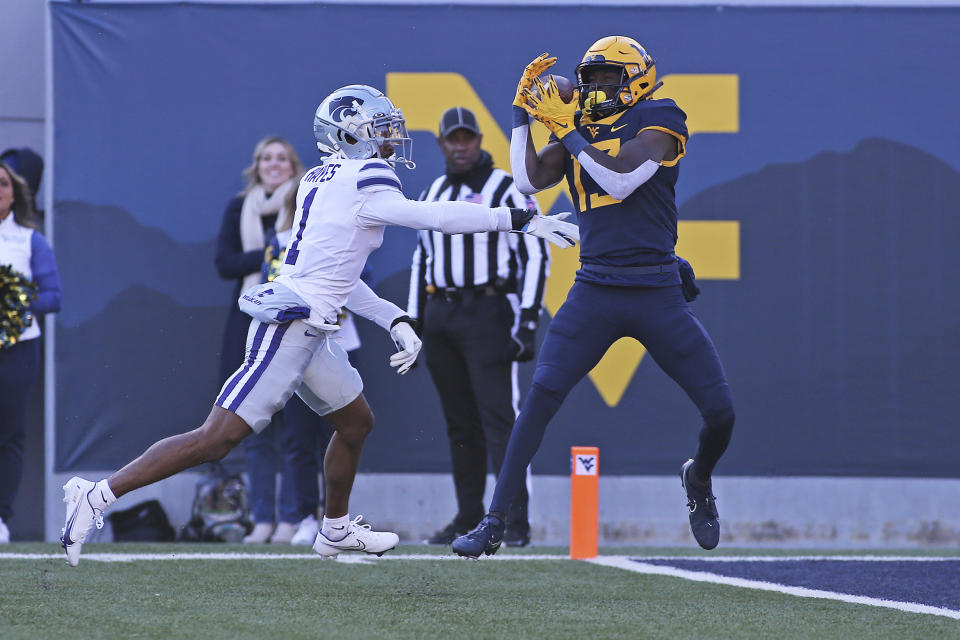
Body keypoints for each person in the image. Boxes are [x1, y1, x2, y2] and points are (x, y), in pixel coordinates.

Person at [58, 84, 579, 566]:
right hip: (292, 324)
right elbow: (433, 217)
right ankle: (97, 495)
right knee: (216, 438)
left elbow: (337, 273)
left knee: (355, 423)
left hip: (315, 321)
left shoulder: (321, 176)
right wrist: (517, 218)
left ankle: (333, 529)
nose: (393, 136)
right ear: (351, 134)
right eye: (381, 127)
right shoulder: (367, 176)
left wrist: (392, 316)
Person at [453, 37, 735, 558]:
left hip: (654, 289)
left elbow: (622, 180)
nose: (596, 88)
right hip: (596, 287)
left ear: (637, 77)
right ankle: (494, 522)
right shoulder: (583, 127)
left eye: (608, 77)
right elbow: (527, 181)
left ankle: (698, 478)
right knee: (538, 400)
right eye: (591, 79)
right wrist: (521, 114)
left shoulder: (661, 116)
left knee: (721, 412)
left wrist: (564, 127)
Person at [409, 107, 548, 547]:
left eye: (467, 138)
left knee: (499, 419)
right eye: (453, 138)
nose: (460, 145)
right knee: (459, 423)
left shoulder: (506, 186)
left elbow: (537, 251)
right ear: (441, 144)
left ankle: (513, 519)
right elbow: (422, 258)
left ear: (479, 140)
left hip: (489, 310)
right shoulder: (432, 190)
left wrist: (527, 319)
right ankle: (468, 513)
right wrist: (411, 322)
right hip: (442, 314)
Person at [214, 136, 306, 544]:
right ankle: (263, 519)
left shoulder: (304, 200)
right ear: (256, 165)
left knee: (292, 428)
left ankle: (292, 518)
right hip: (247, 318)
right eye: (266, 158)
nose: (274, 164)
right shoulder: (240, 207)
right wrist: (269, 253)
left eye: (281, 158)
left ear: (292, 165)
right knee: (250, 423)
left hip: (293, 318)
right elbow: (225, 263)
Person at [0, 162, 62, 544]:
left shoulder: (29, 241)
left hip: (17, 349)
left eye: (3, 183)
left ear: (14, 193)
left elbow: (53, 297)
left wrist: (14, 299)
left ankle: (1, 519)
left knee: (8, 435)